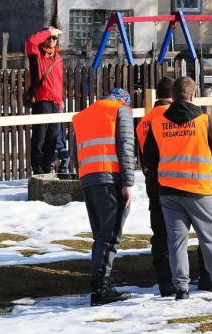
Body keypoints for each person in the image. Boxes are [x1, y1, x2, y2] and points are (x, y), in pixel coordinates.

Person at [143, 76, 212, 300]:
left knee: (176, 242)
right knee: (209, 239)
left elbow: (149, 160)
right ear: (193, 95)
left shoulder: (157, 122)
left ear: (171, 97)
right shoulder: (203, 120)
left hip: (169, 191)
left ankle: (181, 288)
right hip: (198, 189)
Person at [72, 88, 135, 306]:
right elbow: (126, 147)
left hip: (88, 179)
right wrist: (128, 182)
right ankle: (101, 289)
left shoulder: (84, 114)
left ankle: (100, 285)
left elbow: (75, 152)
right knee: (110, 236)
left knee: (100, 235)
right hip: (111, 178)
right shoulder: (121, 110)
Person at [136, 76, 177, 296]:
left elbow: (144, 154)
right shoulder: (171, 115)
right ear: (173, 96)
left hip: (152, 177)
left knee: (159, 229)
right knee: (179, 230)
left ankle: (164, 279)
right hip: (175, 176)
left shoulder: (144, 120)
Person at [26, 26, 64, 174]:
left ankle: (47, 169)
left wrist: (60, 101)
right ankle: (38, 171)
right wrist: (48, 31)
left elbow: (59, 81)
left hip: (55, 102)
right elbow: (30, 42)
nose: (52, 40)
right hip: (41, 102)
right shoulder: (37, 54)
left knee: (52, 139)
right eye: (49, 38)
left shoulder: (58, 58)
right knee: (39, 139)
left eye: (54, 38)